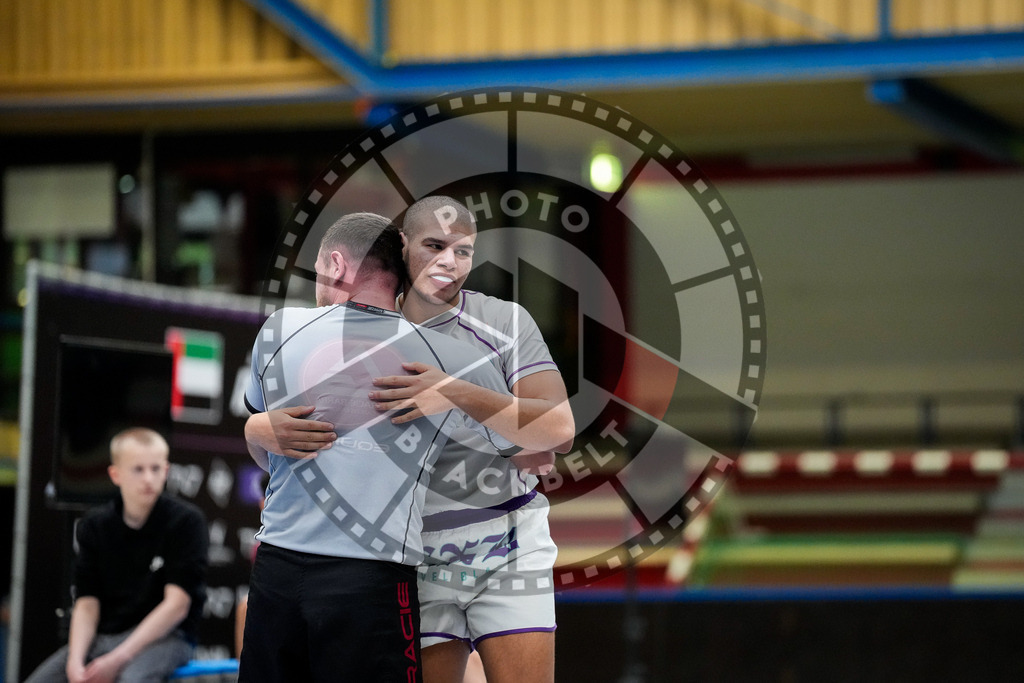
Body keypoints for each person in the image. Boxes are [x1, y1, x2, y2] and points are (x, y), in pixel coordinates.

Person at [249, 197, 574, 683]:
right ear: (402, 248)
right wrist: (256, 428)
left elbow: (554, 434)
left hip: (503, 539)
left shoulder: (502, 321)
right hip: (418, 550)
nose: (449, 262)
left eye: (463, 251)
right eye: (435, 246)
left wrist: (453, 392)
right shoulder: (350, 327)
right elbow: (305, 439)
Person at [25, 428, 208, 683]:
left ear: (166, 471)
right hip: (104, 637)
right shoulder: (95, 526)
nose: (148, 478)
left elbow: (176, 606)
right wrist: (75, 663)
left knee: (132, 678)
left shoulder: (186, 522)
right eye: (138, 469)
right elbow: (87, 603)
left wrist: (117, 659)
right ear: (115, 474)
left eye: (156, 469)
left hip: (166, 637)